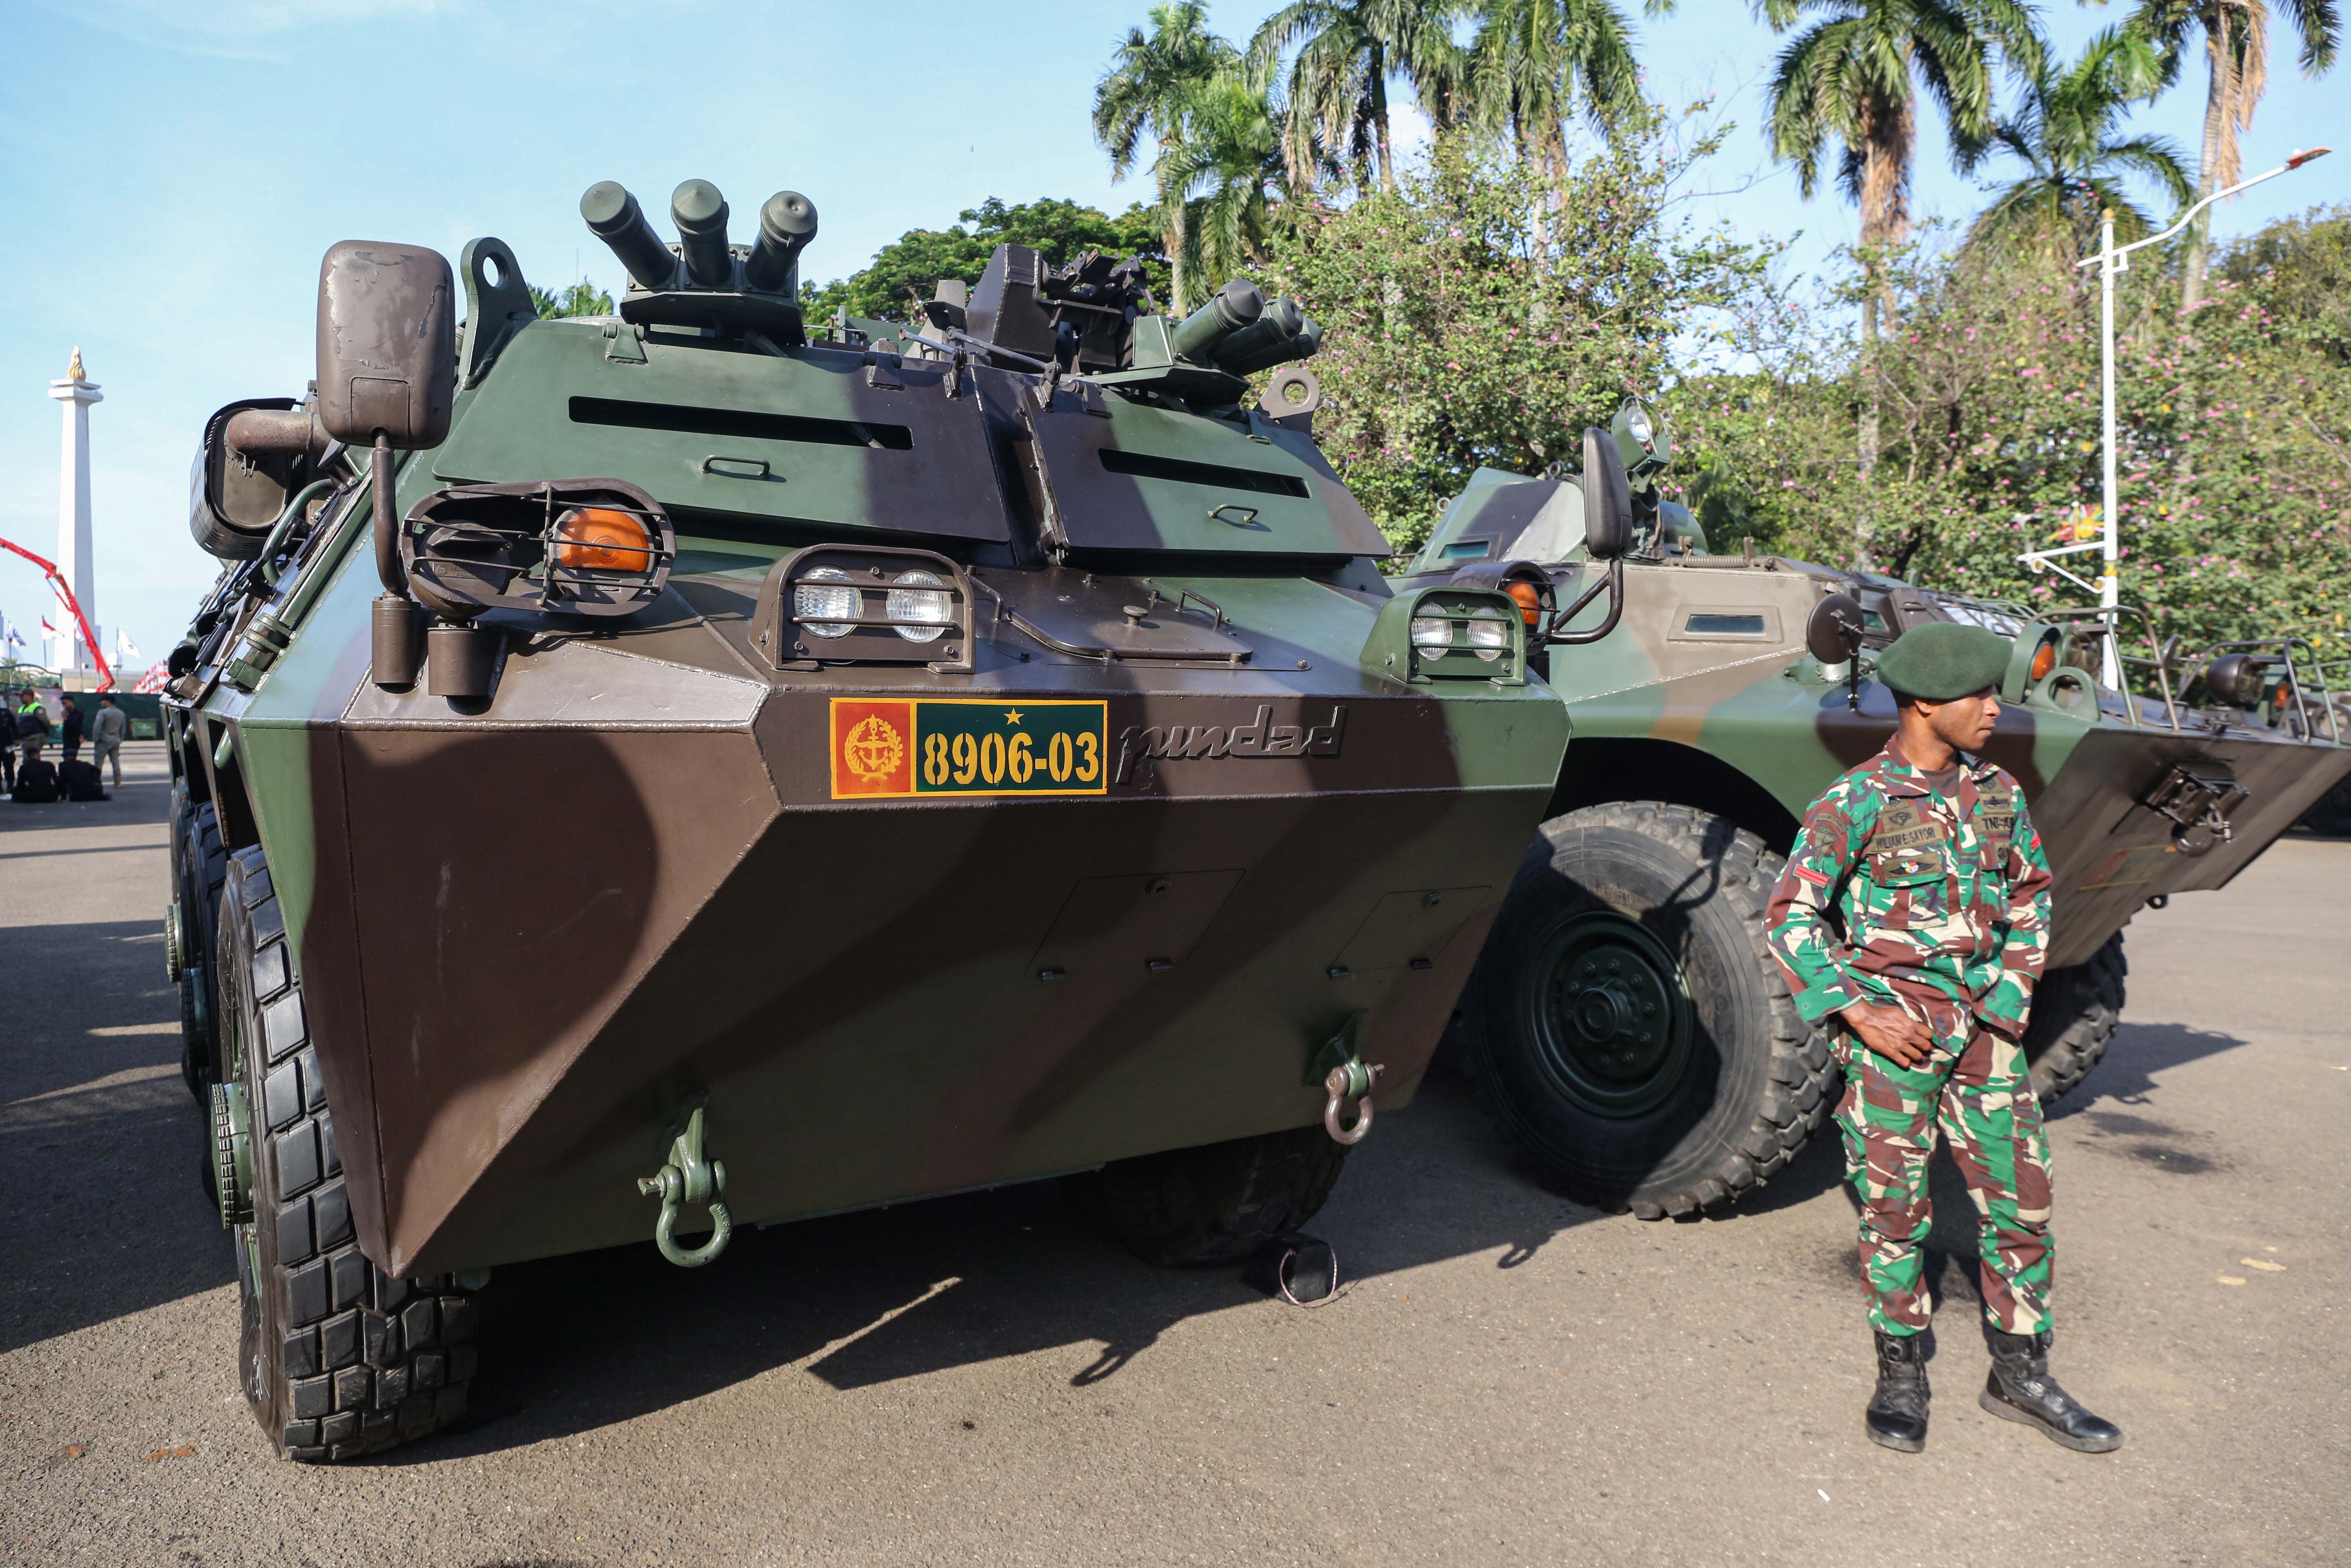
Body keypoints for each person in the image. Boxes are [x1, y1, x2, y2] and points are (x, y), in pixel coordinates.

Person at [1765, 621, 2122, 1457]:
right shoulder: (1855, 801)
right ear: (1925, 703)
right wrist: (1858, 1012)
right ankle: (1899, 1371)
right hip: (1894, 1040)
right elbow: (1790, 916)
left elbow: (2030, 894)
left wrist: (2008, 997)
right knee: (1893, 1213)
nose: (1995, 709)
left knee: (2022, 1205)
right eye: (1981, 695)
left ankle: (2019, 1375)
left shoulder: (1997, 792)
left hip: (1984, 1034)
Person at [90, 693, 127, 789]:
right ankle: (118, 783)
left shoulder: (103, 713)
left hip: (103, 740)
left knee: (99, 763)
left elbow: (97, 727)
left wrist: (96, 739)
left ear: (108, 702)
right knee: (115, 762)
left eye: (103, 701)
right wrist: (120, 740)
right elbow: (123, 729)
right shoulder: (121, 713)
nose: (101, 703)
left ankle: (96, 783)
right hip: (115, 740)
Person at [15, 690, 50, 766]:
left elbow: (45, 722)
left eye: (22, 696)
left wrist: (46, 734)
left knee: (32, 758)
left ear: (29, 696)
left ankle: (34, 772)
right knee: (28, 759)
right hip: (25, 738)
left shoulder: (37, 708)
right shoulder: (22, 709)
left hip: (34, 737)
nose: (20, 698)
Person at [59, 694, 82, 764]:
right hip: (67, 740)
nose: (64, 706)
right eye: (62, 704)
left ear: (71, 702)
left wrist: (65, 718)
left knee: (70, 759)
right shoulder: (68, 713)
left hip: (73, 740)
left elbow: (74, 726)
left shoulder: (77, 713)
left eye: (65, 703)